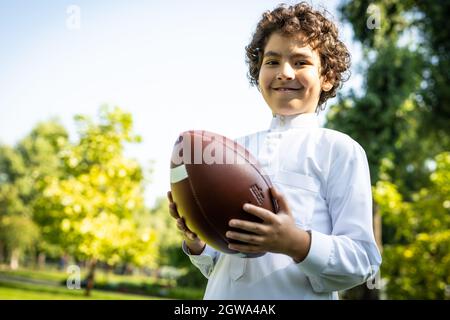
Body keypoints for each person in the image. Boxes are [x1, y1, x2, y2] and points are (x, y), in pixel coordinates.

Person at [167, 2, 381, 299]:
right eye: (272, 61)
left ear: (327, 76)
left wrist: (294, 242)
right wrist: (198, 238)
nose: (284, 72)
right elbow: (219, 264)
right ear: (258, 74)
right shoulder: (233, 149)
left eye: (301, 62)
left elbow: (362, 259)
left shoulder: (339, 150)